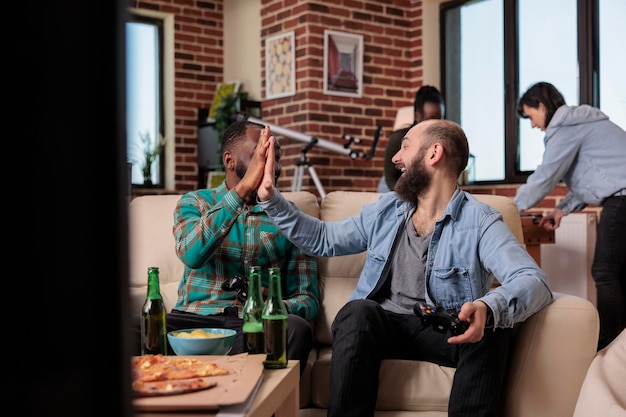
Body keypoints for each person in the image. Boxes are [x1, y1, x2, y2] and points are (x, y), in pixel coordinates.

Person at [254, 119, 553, 417]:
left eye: (405, 147)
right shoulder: (388, 208)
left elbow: (532, 279)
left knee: (491, 327)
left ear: (434, 153)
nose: (395, 158)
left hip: (444, 329)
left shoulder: (480, 222)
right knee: (357, 311)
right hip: (384, 326)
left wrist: (489, 307)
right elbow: (323, 238)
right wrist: (271, 198)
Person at [135, 120, 319, 375]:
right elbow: (191, 254)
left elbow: (307, 298)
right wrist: (241, 193)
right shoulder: (196, 202)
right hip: (191, 322)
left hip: (250, 326)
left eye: (275, 157)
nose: (272, 165)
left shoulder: (289, 217)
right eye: (260, 153)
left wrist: (273, 304)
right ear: (229, 160)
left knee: (297, 329)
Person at [514, 81, 626, 351]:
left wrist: (507, 209)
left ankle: (609, 346)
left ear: (541, 106)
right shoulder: (581, 123)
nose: (532, 125)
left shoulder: (564, 129)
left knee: (604, 271)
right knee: (620, 273)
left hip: (622, 198)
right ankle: (620, 348)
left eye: (530, 116)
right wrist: (561, 210)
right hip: (621, 194)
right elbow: (593, 177)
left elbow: (544, 178)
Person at [377, 85, 445, 192]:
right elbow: (390, 179)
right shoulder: (398, 138)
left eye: (440, 118)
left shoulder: (440, 140)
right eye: (431, 119)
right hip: (394, 187)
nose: (435, 124)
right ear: (417, 116)